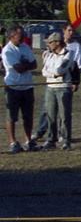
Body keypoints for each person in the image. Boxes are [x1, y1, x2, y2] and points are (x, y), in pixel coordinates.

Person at [39, 32, 78, 149]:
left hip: (63, 88)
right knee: (50, 115)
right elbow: (43, 71)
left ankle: (66, 140)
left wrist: (52, 72)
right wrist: (53, 72)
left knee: (64, 115)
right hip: (50, 87)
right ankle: (51, 140)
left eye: (51, 42)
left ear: (57, 42)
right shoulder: (48, 55)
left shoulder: (68, 54)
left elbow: (60, 70)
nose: (49, 45)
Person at [3, 25, 38, 153]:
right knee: (12, 116)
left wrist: (25, 66)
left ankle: (28, 140)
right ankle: (13, 142)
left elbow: (34, 64)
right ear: (12, 36)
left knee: (28, 116)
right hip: (13, 87)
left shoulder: (25, 47)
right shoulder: (7, 51)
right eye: (20, 35)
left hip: (27, 86)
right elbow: (18, 68)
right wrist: (26, 65)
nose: (23, 37)